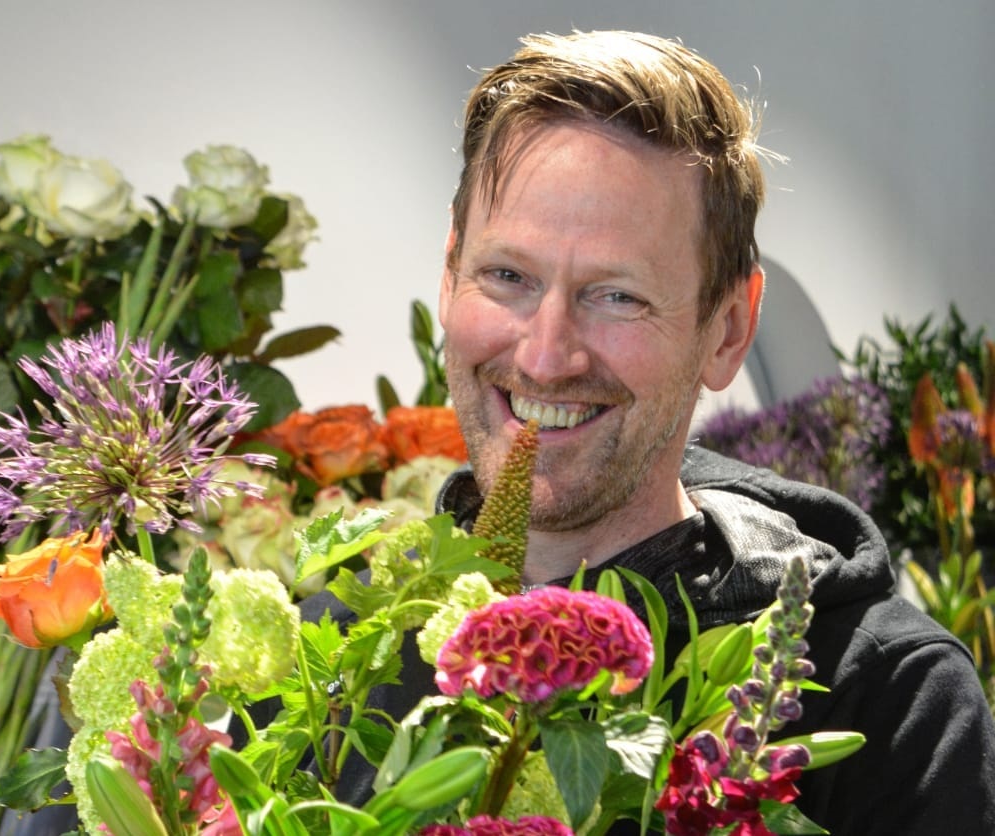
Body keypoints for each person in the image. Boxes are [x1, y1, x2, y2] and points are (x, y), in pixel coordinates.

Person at [302, 29, 995, 834]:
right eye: (507, 276)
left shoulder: (888, 702)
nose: (546, 356)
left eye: (617, 296)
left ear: (728, 331)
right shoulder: (342, 651)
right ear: (450, 275)